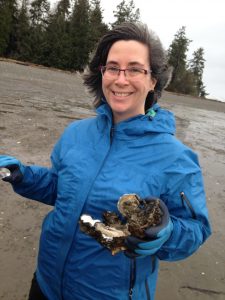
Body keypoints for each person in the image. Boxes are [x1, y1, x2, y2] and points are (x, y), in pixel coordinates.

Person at [0, 22, 211, 300]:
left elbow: (196, 229)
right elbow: (60, 188)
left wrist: (167, 233)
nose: (120, 80)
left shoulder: (177, 158)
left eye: (135, 69)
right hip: (46, 284)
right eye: (112, 67)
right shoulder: (76, 134)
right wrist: (23, 176)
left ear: (153, 80)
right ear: (102, 73)